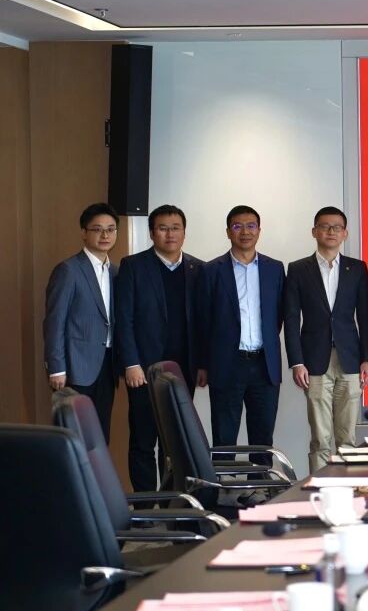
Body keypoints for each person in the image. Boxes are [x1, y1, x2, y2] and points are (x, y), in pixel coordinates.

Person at [115, 204, 203, 492]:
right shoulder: (133, 266)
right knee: (143, 441)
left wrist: (202, 364)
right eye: (163, 228)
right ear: (152, 233)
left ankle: (169, 503)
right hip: (143, 369)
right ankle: (144, 504)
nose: (170, 234)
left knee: (175, 443)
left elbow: (203, 321)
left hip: (183, 370)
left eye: (175, 228)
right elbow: (124, 319)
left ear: (184, 232)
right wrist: (131, 363)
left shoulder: (198, 269)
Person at [284, 207, 368, 473]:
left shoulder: (357, 268)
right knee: (320, 439)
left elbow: (365, 316)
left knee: (347, 437)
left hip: (350, 359)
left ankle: (348, 488)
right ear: (314, 232)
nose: (331, 231)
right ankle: (318, 490)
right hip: (314, 360)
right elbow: (291, 318)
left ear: (345, 233)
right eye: (324, 226)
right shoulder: (298, 269)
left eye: (337, 227)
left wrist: (367, 359)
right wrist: (297, 362)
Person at [195, 205, 285, 447]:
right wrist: (202, 363)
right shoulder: (211, 270)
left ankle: (260, 475)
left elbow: (278, 316)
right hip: (227, 364)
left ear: (259, 230)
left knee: (263, 439)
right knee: (224, 439)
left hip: (264, 365)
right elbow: (203, 320)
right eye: (237, 226)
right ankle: (225, 475)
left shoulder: (275, 269)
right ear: (228, 231)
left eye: (251, 226)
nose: (245, 232)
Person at [44, 202, 120, 440]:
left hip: (107, 364)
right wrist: (56, 367)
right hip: (75, 367)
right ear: (84, 233)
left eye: (110, 229)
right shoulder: (68, 270)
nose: (105, 235)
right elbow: (54, 321)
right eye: (97, 229)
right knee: (75, 435)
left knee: (101, 435)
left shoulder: (116, 271)